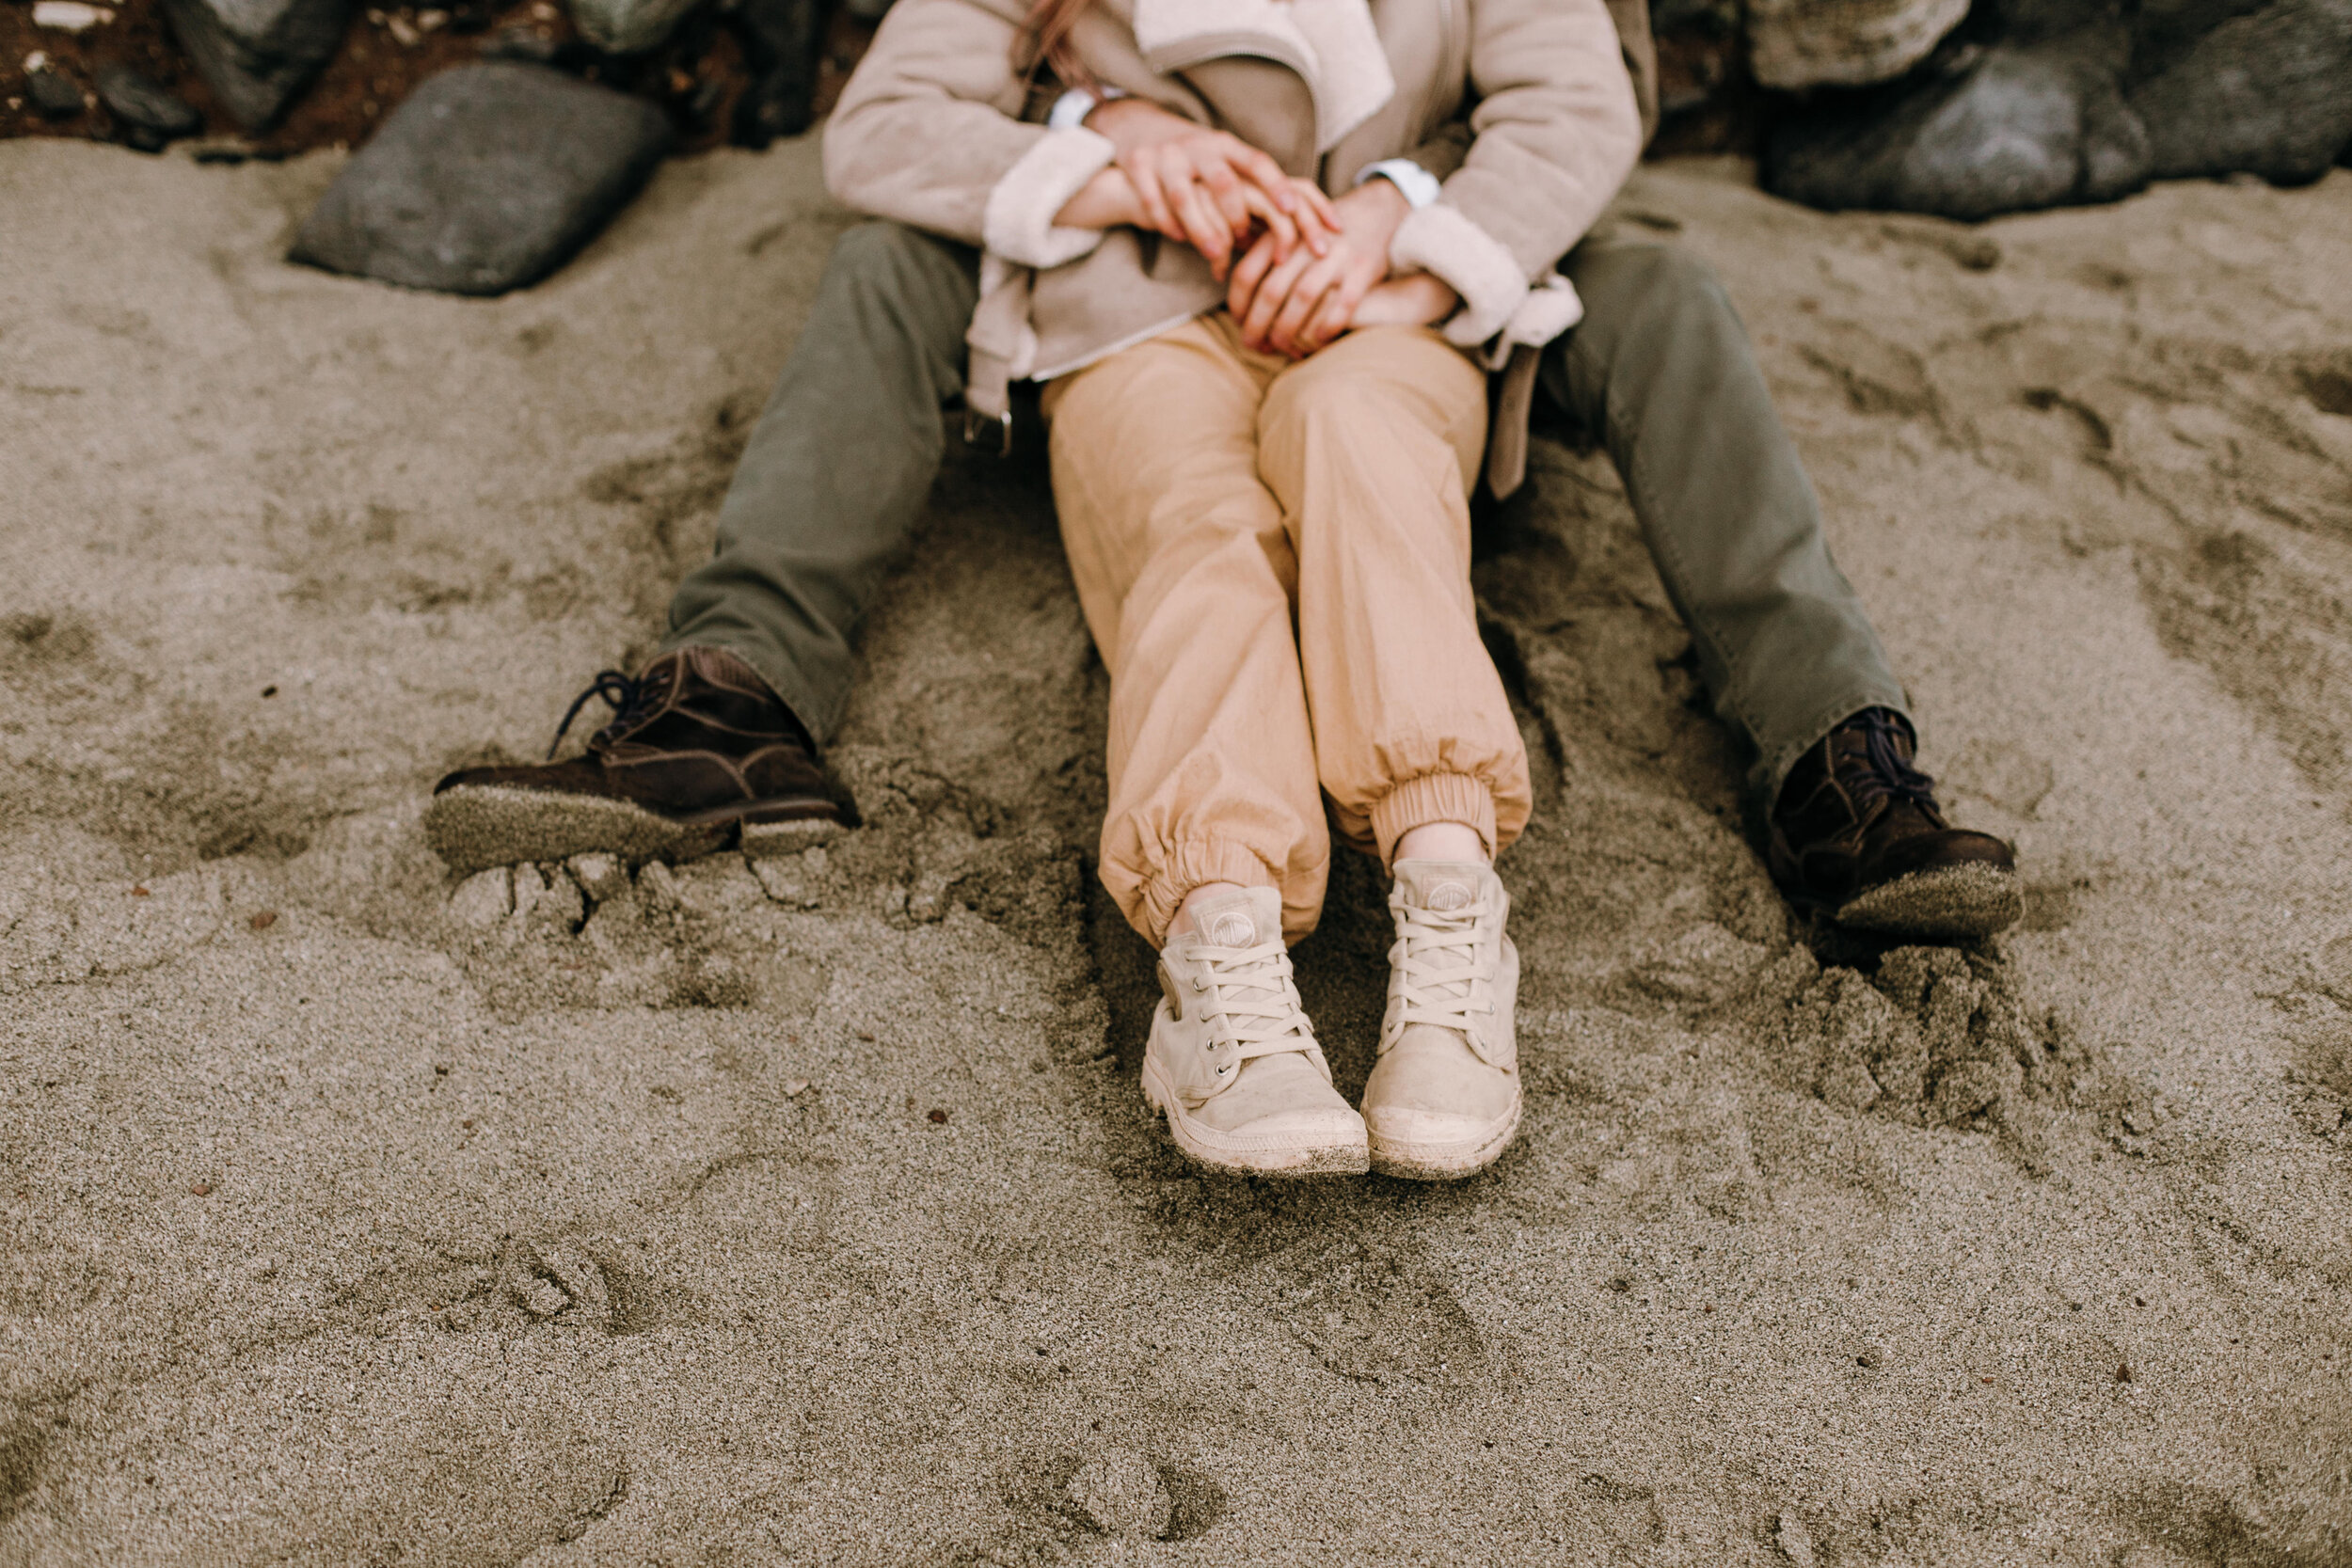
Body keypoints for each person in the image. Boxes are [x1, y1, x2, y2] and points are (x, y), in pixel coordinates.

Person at [428, 0, 2021, 1179]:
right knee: (1150, 484)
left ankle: (1834, 761)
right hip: (1134, 305)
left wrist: (1409, 225)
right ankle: (745, 702)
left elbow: (1571, 101)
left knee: (1622, 305)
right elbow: (887, 126)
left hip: (1404, 294)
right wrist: (1112, 151)